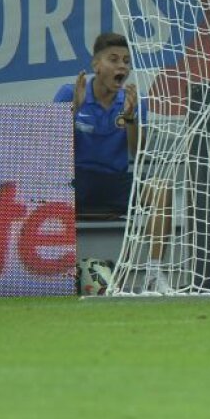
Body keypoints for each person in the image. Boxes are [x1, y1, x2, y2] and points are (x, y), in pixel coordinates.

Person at [54, 33, 172, 293]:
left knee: (162, 188)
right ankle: (49, 274)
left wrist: (130, 118)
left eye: (126, 62)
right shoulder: (71, 92)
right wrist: (73, 109)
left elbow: (137, 150)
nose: (122, 67)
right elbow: (52, 148)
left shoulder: (133, 99)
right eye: (114, 59)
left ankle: (153, 272)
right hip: (77, 181)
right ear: (96, 65)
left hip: (116, 182)